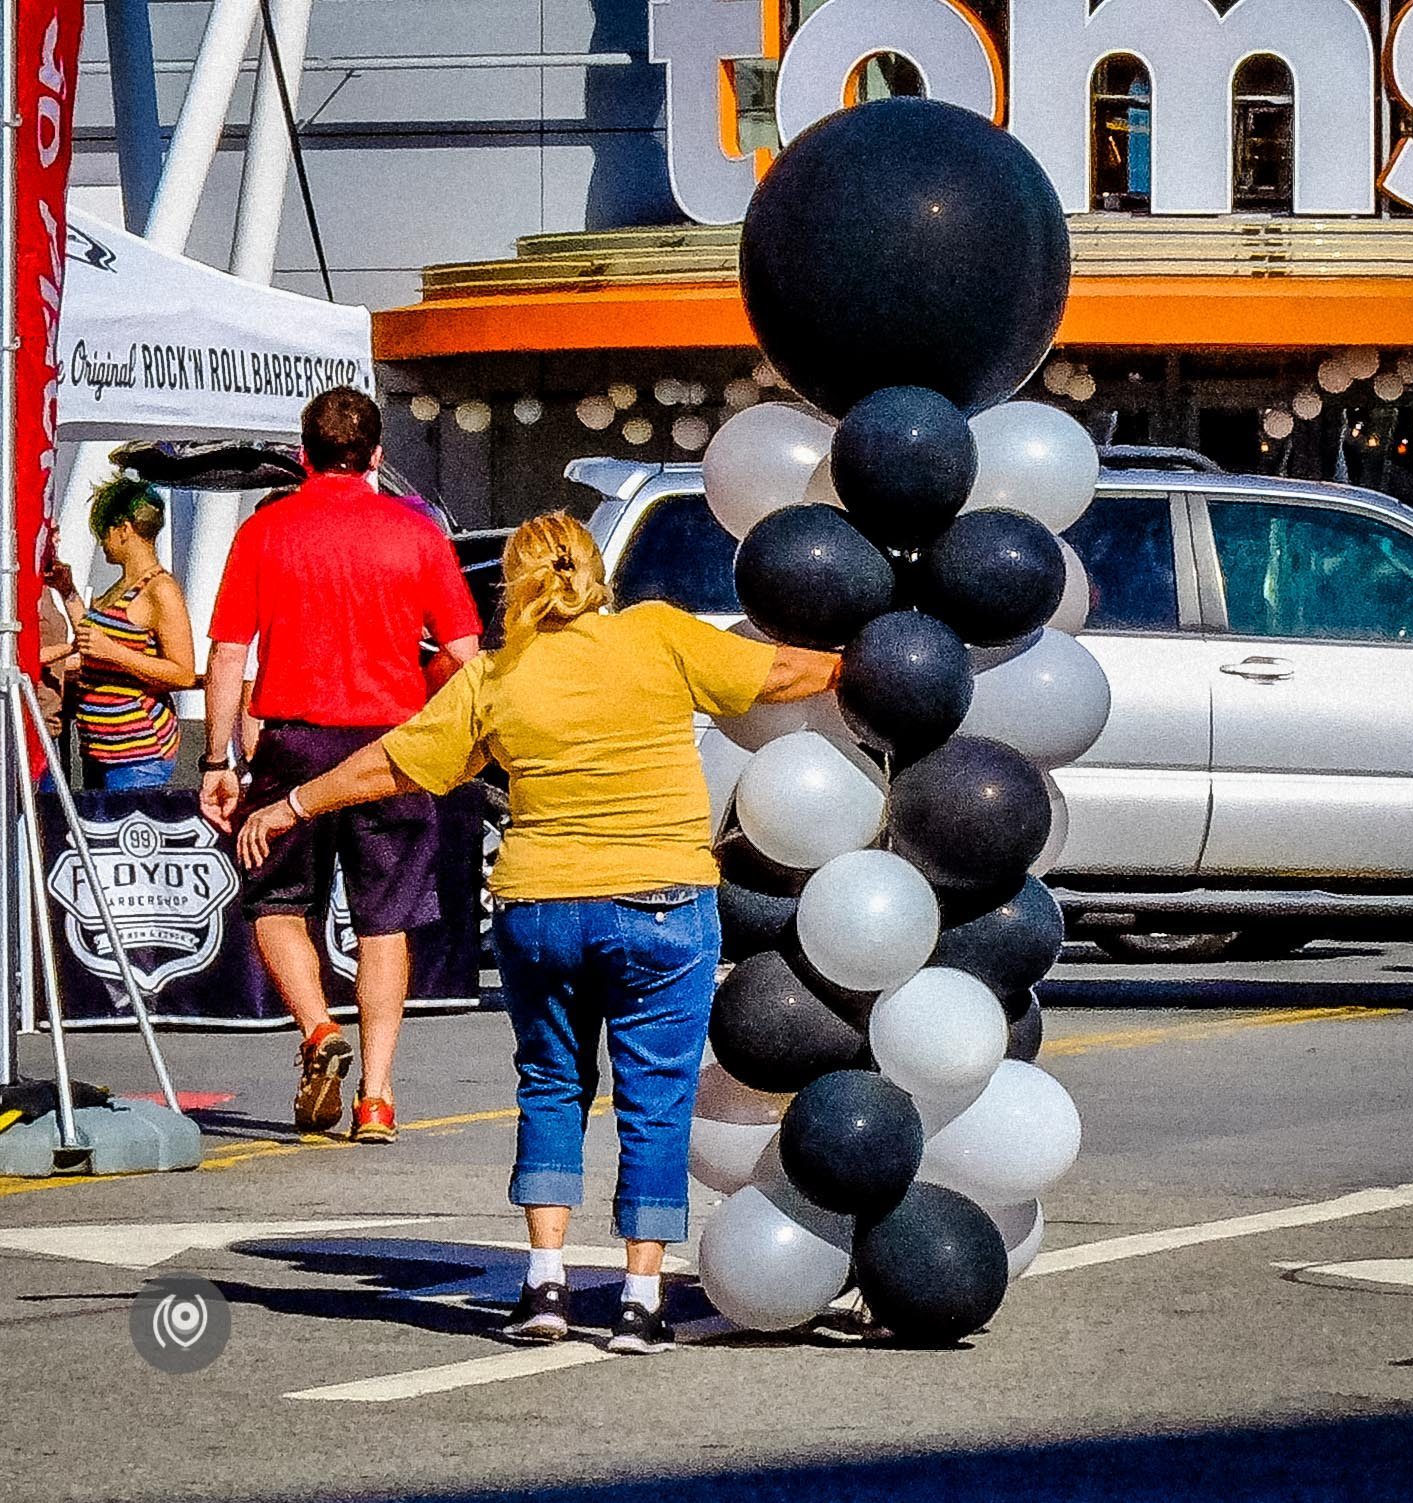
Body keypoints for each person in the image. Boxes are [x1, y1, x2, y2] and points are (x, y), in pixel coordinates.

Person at [237, 512, 838, 1355]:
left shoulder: (493, 675)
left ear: (512, 585)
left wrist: (291, 802)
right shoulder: (658, 636)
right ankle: (637, 1301)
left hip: (540, 908)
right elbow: (777, 673)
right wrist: (858, 664)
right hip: (661, 903)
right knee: (654, 1102)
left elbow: (395, 762)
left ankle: (544, 1286)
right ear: (597, 574)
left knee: (552, 1087)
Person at [201, 387, 481, 1144]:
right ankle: (378, 1095)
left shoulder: (267, 531)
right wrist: (435, 718)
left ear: (302, 455)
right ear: (378, 457)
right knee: (385, 919)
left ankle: (319, 1026)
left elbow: (228, 653)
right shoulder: (416, 535)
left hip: (294, 741)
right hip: (390, 746)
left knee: (276, 900)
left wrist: (214, 757)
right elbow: (464, 657)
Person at [67, 476, 196, 791]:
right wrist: (67, 591)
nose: (101, 542)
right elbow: (92, 641)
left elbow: (183, 674)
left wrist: (113, 652)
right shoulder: (122, 586)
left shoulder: (160, 589)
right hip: (102, 749)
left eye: (103, 532)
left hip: (138, 756)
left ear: (124, 529)